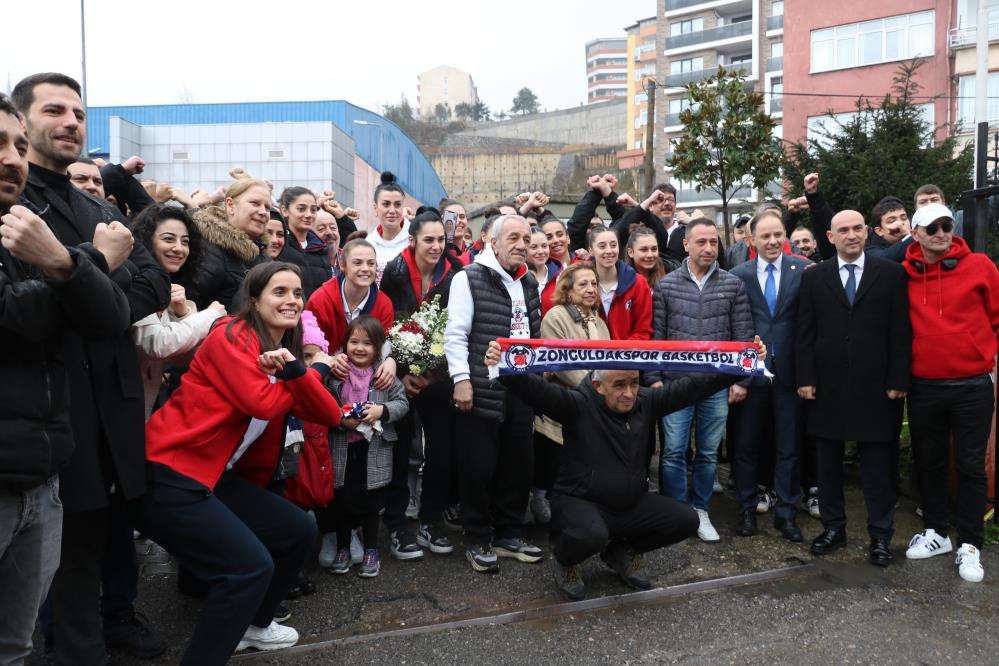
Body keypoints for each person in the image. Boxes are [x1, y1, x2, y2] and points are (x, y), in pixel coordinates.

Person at [13, 72, 172, 665]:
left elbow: (136, 293)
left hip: (114, 408)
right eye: (54, 110)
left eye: (79, 113)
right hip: (60, 408)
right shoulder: (18, 207)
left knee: (108, 533)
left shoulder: (96, 207)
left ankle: (109, 627)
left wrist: (83, 275)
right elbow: (42, 310)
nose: (71, 122)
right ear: (21, 122)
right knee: (66, 556)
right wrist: (97, 274)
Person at [137, 262, 342, 664]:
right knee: (249, 568)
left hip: (215, 475)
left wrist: (297, 371)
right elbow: (260, 402)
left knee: (298, 529)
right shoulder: (230, 333)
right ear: (254, 299)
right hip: (171, 471)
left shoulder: (282, 354)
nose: (292, 300)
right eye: (279, 292)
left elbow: (331, 413)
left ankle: (256, 626)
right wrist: (296, 380)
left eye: (297, 292)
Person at [0, 93, 131, 665]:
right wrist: (86, 264)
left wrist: (64, 266)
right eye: (0, 145)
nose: (12, 159)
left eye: (17, 148)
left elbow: (110, 315)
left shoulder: (34, 226)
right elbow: (18, 315)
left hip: (43, 471)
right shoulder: (34, 230)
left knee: (15, 644)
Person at [484, 338, 767, 600]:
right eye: (619, 385)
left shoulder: (647, 402)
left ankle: (620, 552)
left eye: (634, 382)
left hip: (629, 503)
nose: (629, 393)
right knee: (591, 533)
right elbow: (535, 390)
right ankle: (564, 559)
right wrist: (503, 365)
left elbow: (695, 385)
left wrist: (741, 364)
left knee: (686, 519)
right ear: (598, 386)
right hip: (580, 501)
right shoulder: (576, 405)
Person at [796, 210, 911, 567]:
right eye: (842, 230)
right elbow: (805, 333)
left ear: (866, 232)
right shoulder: (815, 278)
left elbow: (900, 331)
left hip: (876, 388)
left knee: (877, 467)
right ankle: (833, 527)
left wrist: (898, 379)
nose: (851, 235)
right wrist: (805, 378)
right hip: (827, 387)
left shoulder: (891, 274)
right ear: (829, 237)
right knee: (828, 464)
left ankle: (880, 535)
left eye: (857, 228)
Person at [902, 203, 998, 582]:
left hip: (972, 383)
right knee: (930, 460)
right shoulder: (904, 274)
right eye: (933, 228)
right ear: (916, 233)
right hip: (925, 383)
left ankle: (970, 542)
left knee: (971, 465)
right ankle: (938, 532)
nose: (942, 233)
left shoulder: (980, 266)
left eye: (947, 225)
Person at [444, 213, 544, 573]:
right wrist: (461, 379)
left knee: (518, 464)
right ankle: (477, 537)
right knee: (479, 467)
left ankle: (510, 534)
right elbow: (455, 334)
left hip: (520, 386)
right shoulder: (467, 278)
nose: (522, 245)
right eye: (514, 238)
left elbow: (534, 336)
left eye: (527, 240)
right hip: (481, 386)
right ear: (493, 241)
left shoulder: (528, 282)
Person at [650, 218, 753, 542]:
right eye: (701, 242)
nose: (709, 248)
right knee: (673, 452)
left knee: (708, 453)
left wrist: (741, 380)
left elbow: (743, 335)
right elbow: (657, 337)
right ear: (686, 244)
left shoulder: (732, 284)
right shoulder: (666, 286)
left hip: (716, 386)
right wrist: (654, 378)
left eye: (713, 242)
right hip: (676, 385)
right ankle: (675, 512)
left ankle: (700, 509)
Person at [380, 208, 465, 558]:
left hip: (440, 375)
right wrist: (404, 374)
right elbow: (387, 325)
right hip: (402, 376)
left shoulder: (456, 273)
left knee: (442, 450)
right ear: (413, 240)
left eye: (440, 240)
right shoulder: (395, 272)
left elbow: (457, 327)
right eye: (428, 240)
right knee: (400, 452)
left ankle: (431, 520)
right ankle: (398, 526)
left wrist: (432, 371)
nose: (435, 246)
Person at [730, 210, 811, 542]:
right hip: (752, 374)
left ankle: (786, 513)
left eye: (778, 234)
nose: (773, 241)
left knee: (789, 446)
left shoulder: (804, 271)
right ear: (752, 241)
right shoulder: (739, 275)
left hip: (791, 373)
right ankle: (747, 509)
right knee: (747, 444)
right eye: (765, 236)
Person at [327, 316, 409, 578]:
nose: (360, 348)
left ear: (378, 348)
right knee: (342, 498)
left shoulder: (384, 375)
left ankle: (371, 549)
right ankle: (343, 547)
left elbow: (402, 403)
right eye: (354, 342)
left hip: (374, 448)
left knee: (372, 500)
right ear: (345, 344)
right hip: (343, 447)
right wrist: (340, 418)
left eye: (367, 343)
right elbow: (324, 403)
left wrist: (382, 410)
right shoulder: (336, 374)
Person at [531, 263, 611, 526]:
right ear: (568, 289)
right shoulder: (555, 317)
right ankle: (541, 497)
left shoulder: (599, 321)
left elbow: (608, 362)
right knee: (553, 459)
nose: (590, 290)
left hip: (593, 401)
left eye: (593, 284)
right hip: (562, 403)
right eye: (583, 284)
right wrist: (597, 391)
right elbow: (563, 364)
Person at [130, 204, 226, 418]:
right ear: (147, 241)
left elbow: (185, 357)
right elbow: (158, 345)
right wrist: (210, 315)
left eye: (185, 242)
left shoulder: (172, 285)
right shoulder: (134, 279)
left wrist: (183, 313)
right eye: (168, 239)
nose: (179, 248)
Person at [192, 178, 272, 311]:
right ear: (230, 205)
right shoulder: (207, 249)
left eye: (267, 207)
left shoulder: (263, 256)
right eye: (255, 203)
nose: (263, 212)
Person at [587, 226, 653, 340]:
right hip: (590, 355)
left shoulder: (638, 283)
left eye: (613, 245)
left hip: (627, 355)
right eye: (602, 246)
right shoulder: (580, 283)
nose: (609, 251)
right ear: (591, 250)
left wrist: (620, 354)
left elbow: (643, 330)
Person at [275, 187, 330, 298]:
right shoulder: (279, 245)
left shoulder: (321, 248)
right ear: (284, 210)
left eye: (313, 210)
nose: (309, 214)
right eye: (301, 209)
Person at [611, 183, 684, 268]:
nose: (667, 203)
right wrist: (639, 206)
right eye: (661, 200)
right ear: (651, 206)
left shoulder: (684, 231)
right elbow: (619, 231)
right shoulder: (640, 231)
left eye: (670, 200)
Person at [566, 174, 628, 251]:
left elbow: (623, 220)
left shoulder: (614, 249)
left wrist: (606, 189)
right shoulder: (577, 250)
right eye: (590, 226)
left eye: (598, 226)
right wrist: (598, 191)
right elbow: (577, 224)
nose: (594, 229)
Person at [367, 172, 410, 281]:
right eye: (386, 204)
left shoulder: (414, 239)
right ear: (375, 208)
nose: (392, 210)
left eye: (397, 205)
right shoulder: (369, 243)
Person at [866, 196, 914, 261]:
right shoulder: (870, 250)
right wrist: (912, 236)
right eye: (892, 221)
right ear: (879, 231)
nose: (900, 223)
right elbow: (885, 258)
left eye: (904, 218)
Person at [527, 225, 561, 316]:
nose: (541, 251)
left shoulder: (560, 275)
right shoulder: (518, 277)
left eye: (544, 246)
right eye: (534, 247)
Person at [439, 197, 472, 264]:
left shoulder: (474, 253)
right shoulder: (436, 253)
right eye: (452, 217)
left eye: (462, 217)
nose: (459, 220)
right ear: (441, 221)